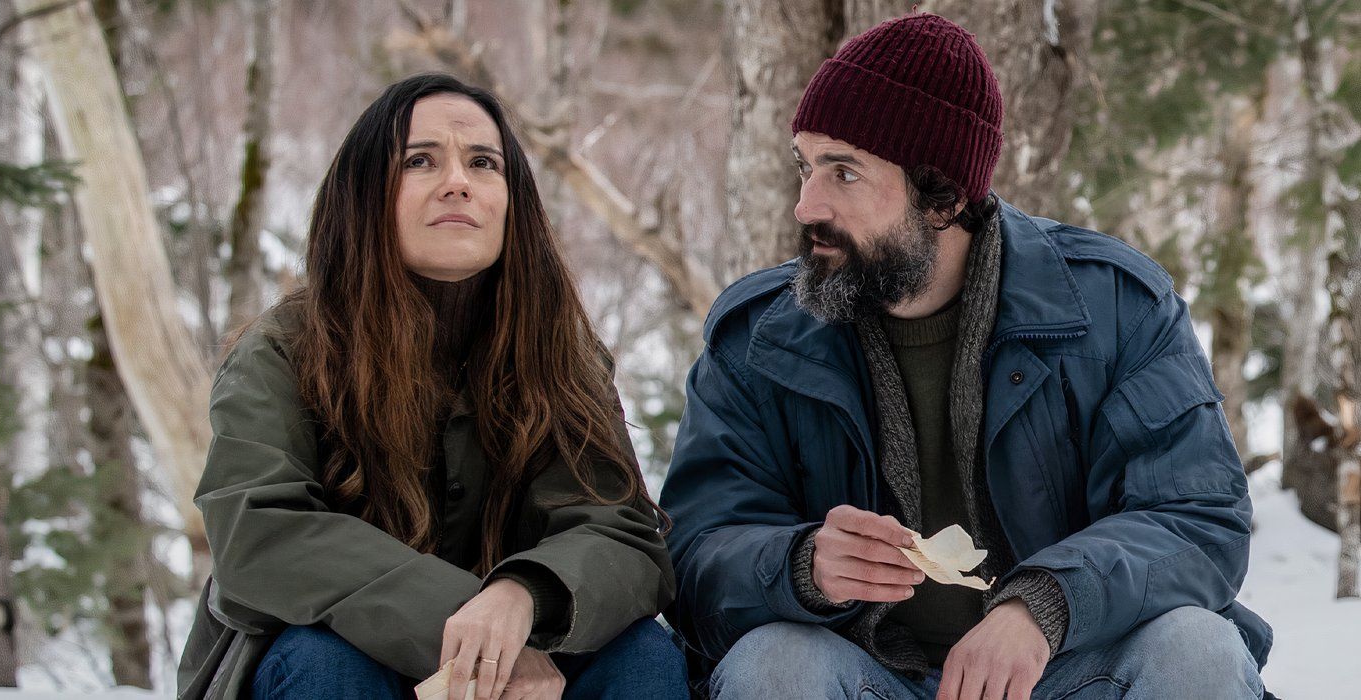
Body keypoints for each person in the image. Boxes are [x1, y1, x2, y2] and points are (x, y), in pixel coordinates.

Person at [661, 13, 1272, 700]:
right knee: (775, 662)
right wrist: (799, 566)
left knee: (1195, 648)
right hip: (866, 677)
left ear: (943, 197)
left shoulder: (1114, 305)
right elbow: (693, 553)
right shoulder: (757, 336)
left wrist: (1047, 604)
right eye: (805, 166)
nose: (806, 205)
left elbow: (1198, 519)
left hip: (1068, 674)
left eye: (844, 173)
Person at [177, 74, 685, 700]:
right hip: (335, 662)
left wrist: (525, 595)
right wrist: (473, 627)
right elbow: (259, 533)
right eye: (420, 160)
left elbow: (622, 534)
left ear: (511, 200)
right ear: (366, 194)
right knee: (324, 664)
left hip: (531, 660)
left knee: (641, 656)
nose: (457, 181)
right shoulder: (284, 350)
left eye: (482, 162)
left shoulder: (560, 355)